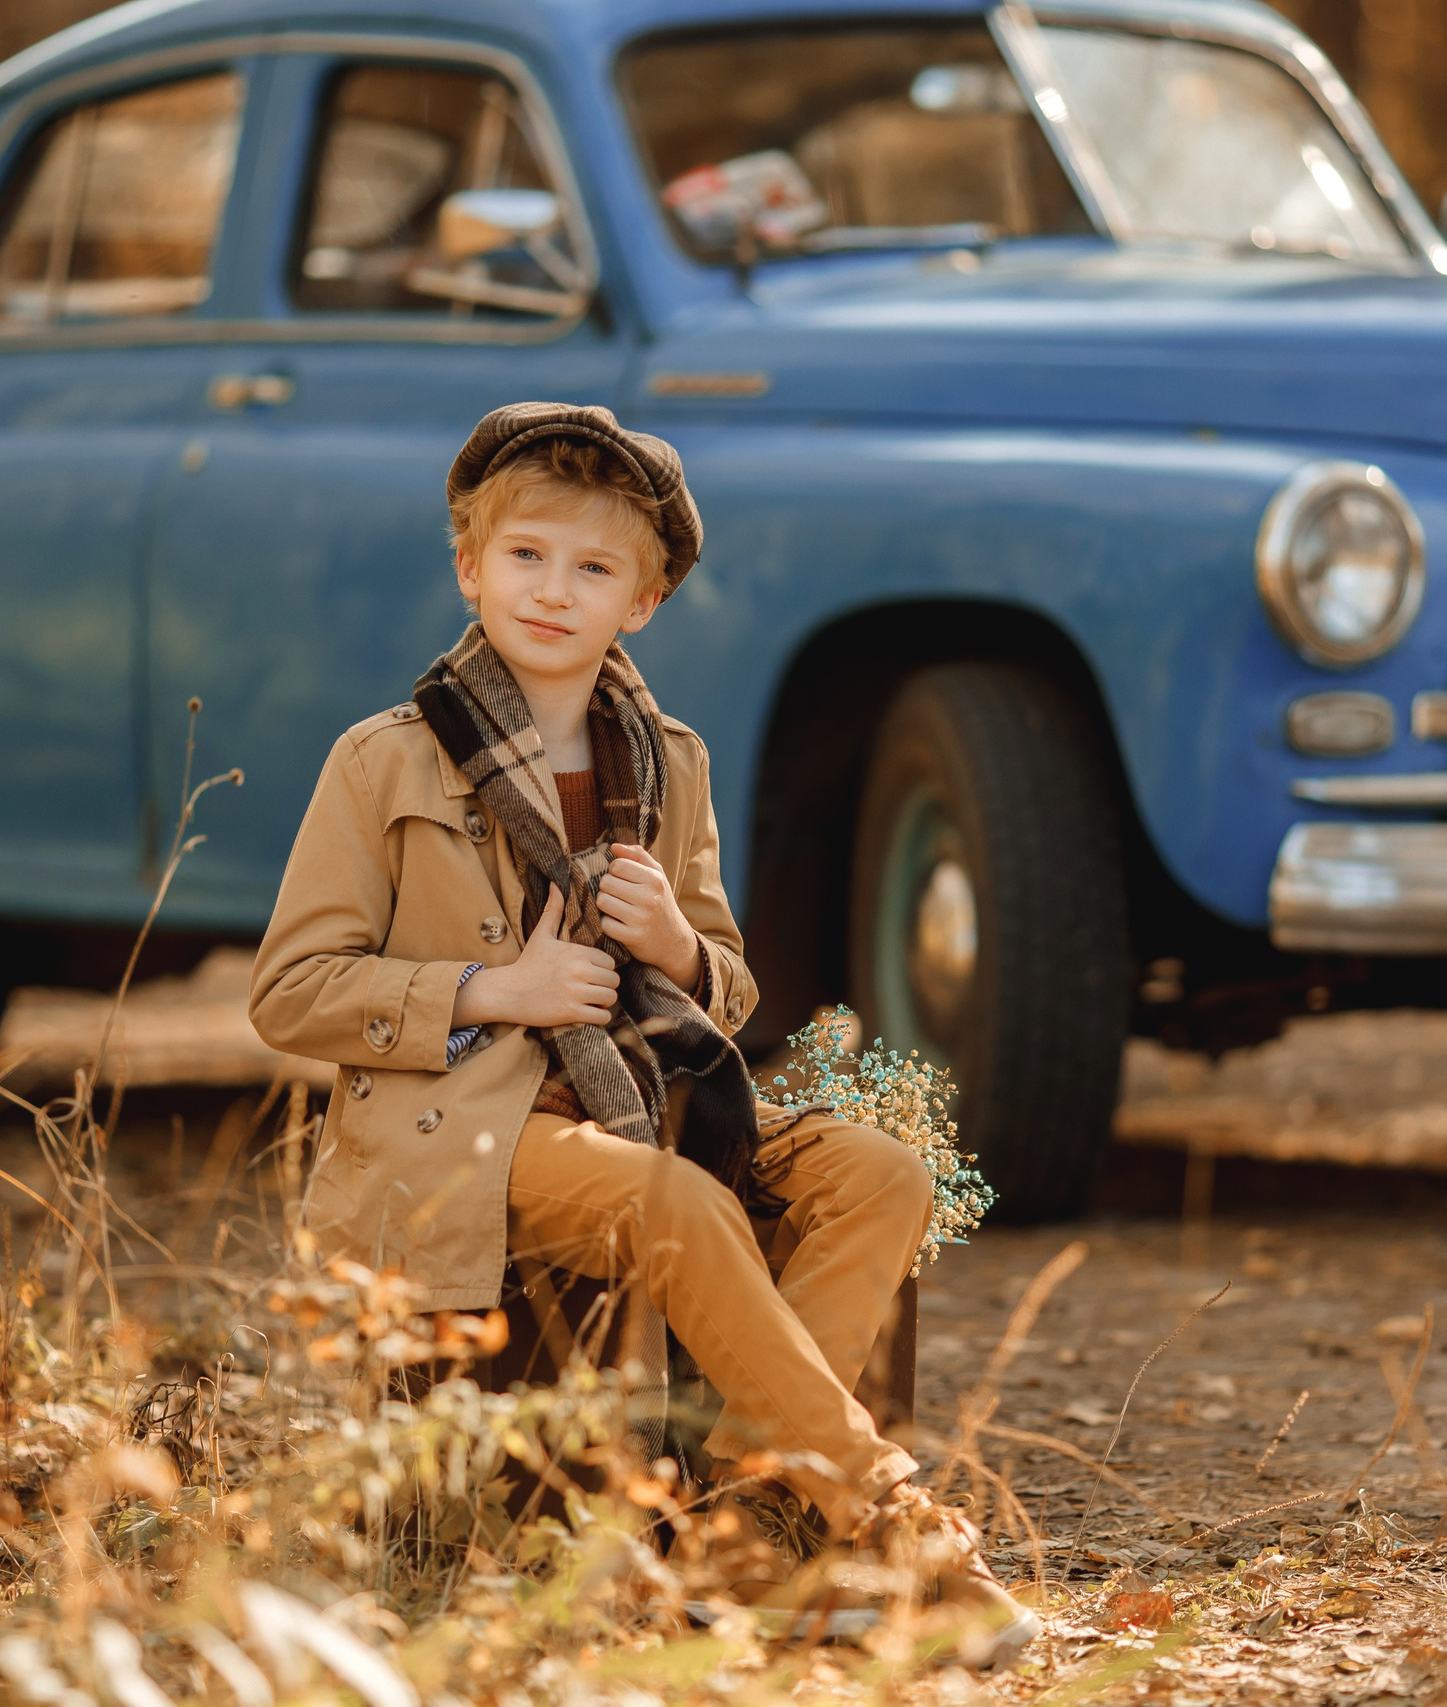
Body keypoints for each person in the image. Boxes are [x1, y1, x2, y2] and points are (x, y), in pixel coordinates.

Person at [249, 402, 1035, 1661]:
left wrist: (674, 943)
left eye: (594, 568)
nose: (553, 591)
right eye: (525, 557)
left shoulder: (670, 763)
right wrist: (490, 990)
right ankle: (896, 1526)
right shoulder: (383, 763)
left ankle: (737, 1526)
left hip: (643, 1092)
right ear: (469, 566)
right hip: (460, 1128)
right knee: (676, 1207)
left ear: (644, 600)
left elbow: (724, 990)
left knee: (878, 1173)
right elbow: (289, 990)